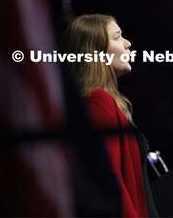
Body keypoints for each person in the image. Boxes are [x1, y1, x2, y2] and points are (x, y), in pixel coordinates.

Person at [64, 14, 158, 218]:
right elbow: (109, 184)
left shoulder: (108, 103)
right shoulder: (98, 102)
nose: (128, 43)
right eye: (117, 37)